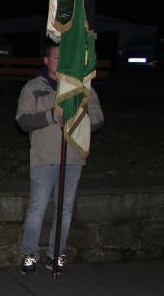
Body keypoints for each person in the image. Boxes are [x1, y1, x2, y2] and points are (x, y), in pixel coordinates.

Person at [15, 42, 103, 275]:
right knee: (37, 209)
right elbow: (23, 120)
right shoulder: (34, 87)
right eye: (56, 58)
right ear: (46, 61)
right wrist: (52, 116)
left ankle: (56, 254)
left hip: (72, 158)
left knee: (64, 210)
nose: (60, 62)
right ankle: (29, 255)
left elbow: (97, 118)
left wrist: (77, 122)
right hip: (44, 157)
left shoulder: (81, 87)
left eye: (64, 58)